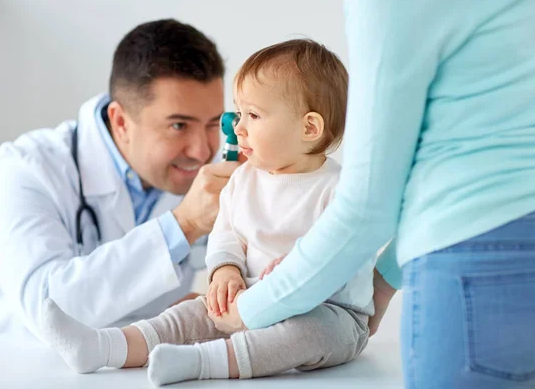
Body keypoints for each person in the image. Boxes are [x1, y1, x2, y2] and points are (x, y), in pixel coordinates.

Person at [211, 0, 535, 388]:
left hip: (472, 262)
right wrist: (382, 282)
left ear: (311, 127)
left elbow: (369, 207)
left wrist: (250, 310)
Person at [39, 39, 374, 386]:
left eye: (254, 116)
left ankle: (199, 362)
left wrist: (289, 269)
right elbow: (226, 233)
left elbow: (334, 257)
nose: (238, 128)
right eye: (239, 113)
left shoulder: (338, 190)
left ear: (309, 128)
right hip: (246, 298)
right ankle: (106, 346)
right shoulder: (244, 178)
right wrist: (225, 271)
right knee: (191, 312)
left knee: (304, 334)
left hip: (329, 313)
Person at [0, 19, 244, 339]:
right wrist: (184, 224)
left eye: (213, 124)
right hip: (16, 368)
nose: (202, 151)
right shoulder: (25, 169)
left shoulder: (196, 174)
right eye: (179, 126)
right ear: (121, 122)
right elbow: (48, 310)